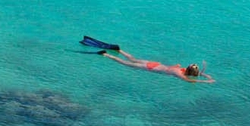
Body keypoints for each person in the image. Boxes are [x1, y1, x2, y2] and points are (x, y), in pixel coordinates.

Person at [82, 37, 214, 83]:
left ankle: (119, 50)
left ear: (190, 68)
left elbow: (192, 78)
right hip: (152, 67)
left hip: (154, 64)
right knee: (127, 64)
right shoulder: (180, 72)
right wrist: (207, 79)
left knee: (133, 59)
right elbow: (192, 78)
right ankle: (107, 55)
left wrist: (207, 78)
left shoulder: (180, 70)